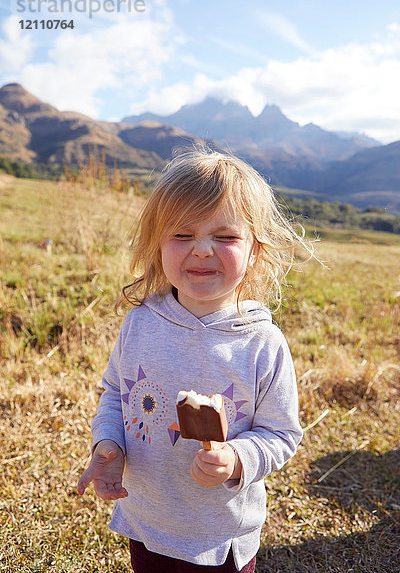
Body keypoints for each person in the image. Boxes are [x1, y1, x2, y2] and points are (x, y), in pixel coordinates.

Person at [77, 147, 313, 572]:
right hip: (147, 520)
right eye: (182, 235)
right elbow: (115, 393)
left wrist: (238, 458)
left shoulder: (262, 343)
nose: (202, 250)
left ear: (255, 249)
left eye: (224, 237)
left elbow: (281, 434)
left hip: (219, 534)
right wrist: (108, 443)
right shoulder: (139, 324)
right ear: (157, 246)